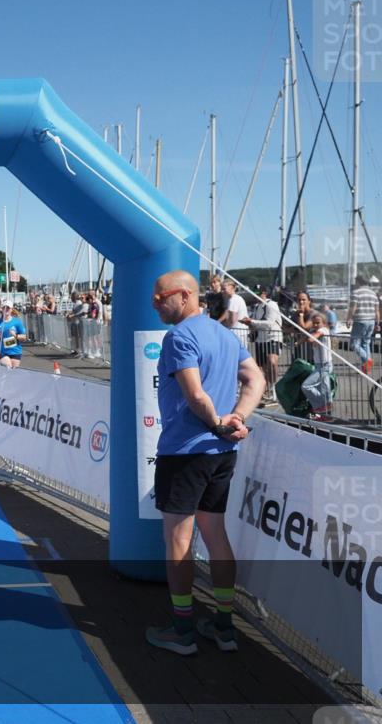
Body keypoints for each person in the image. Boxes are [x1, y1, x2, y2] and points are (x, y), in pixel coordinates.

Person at [146, 270, 264, 656]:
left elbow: (195, 394)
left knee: (179, 540)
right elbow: (256, 379)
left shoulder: (180, 336)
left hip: (186, 451)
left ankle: (182, 631)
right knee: (216, 535)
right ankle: (224, 626)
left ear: (184, 295)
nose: (155, 304)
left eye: (161, 297)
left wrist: (219, 421)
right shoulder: (225, 335)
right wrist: (237, 419)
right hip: (220, 453)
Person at [240, 287, 282, 406]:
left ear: (264, 293)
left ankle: (272, 386)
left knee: (272, 361)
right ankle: (265, 390)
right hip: (260, 339)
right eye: (254, 294)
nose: (255, 296)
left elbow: (270, 323)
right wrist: (249, 324)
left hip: (273, 337)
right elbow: (256, 324)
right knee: (261, 367)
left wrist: (251, 322)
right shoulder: (257, 307)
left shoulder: (272, 304)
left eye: (258, 293)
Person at [300, 312, 333, 421]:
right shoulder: (314, 331)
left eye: (317, 323)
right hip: (319, 364)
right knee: (325, 389)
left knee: (306, 386)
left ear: (323, 323)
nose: (315, 325)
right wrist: (300, 340)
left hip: (325, 365)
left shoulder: (323, 330)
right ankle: (326, 414)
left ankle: (321, 407)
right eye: (313, 323)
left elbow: (311, 339)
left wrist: (308, 337)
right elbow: (306, 337)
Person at [347, 276, 380, 375]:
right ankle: (367, 368)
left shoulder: (356, 293)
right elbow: (377, 310)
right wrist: (377, 323)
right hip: (371, 321)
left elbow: (353, 307)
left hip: (360, 320)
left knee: (354, 344)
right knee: (365, 343)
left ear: (358, 282)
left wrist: (349, 318)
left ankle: (367, 360)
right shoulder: (373, 294)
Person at [0, 302, 26, 368]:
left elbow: (24, 337)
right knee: (8, 367)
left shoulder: (17, 322)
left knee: (14, 372)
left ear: (11, 309)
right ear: (2, 309)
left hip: (15, 351)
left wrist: (15, 335)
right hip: (2, 352)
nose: (6, 309)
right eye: (4, 307)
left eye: (8, 308)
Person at [220, 280, 249, 347]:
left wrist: (223, 326)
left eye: (224, 289)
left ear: (232, 288)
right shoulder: (238, 298)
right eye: (222, 289)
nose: (222, 291)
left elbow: (232, 320)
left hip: (237, 332)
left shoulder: (233, 300)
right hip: (241, 332)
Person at [67, 291, 87, 356]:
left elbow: (80, 313)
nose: (71, 298)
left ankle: (80, 351)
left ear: (74, 297)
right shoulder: (75, 303)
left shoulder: (79, 303)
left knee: (78, 337)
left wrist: (72, 315)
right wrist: (69, 313)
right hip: (74, 322)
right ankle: (76, 350)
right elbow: (74, 311)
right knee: (75, 337)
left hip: (78, 322)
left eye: (72, 296)